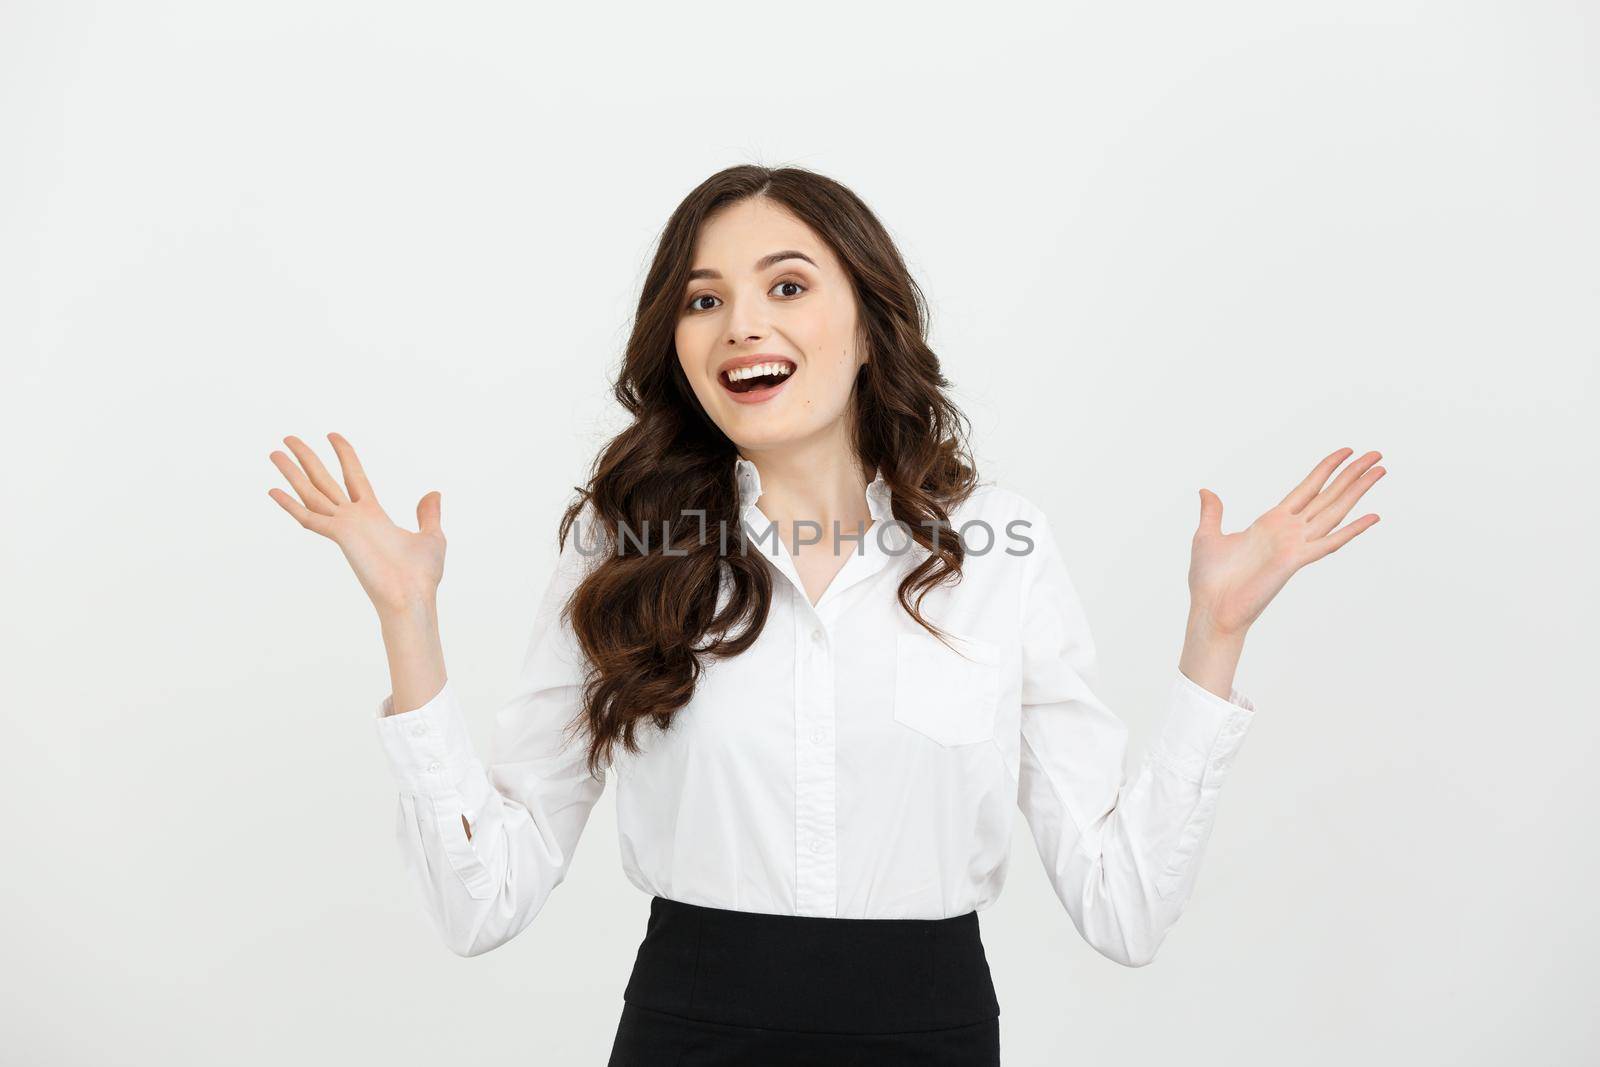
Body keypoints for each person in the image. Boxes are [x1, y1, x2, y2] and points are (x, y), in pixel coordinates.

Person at [267, 165, 1385, 1065]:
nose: (739, 324)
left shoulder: (1001, 547)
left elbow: (1124, 907)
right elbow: (482, 902)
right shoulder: (625, 552)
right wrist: (407, 620)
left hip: (931, 1035)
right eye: (703, 299)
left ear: (867, 322)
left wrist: (1216, 636)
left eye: (787, 285)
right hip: (688, 1033)